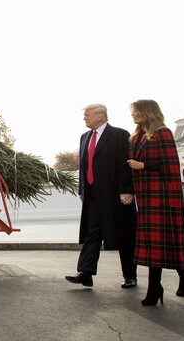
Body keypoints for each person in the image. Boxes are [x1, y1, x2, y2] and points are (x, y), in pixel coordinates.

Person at [126, 99, 184, 306]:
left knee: (163, 242)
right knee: (155, 243)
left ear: (146, 112)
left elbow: (171, 166)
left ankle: (157, 286)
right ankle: (179, 278)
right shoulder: (136, 135)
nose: (133, 115)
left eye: (135, 112)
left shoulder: (163, 132)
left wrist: (142, 165)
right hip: (145, 196)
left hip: (162, 197)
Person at [65, 104, 137, 289]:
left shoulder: (120, 135)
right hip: (92, 195)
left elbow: (125, 164)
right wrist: (82, 188)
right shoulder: (85, 137)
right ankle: (85, 273)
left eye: (87, 115)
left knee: (123, 234)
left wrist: (126, 190)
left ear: (100, 116)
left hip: (115, 194)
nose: (84, 118)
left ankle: (130, 275)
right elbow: (84, 166)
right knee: (92, 232)